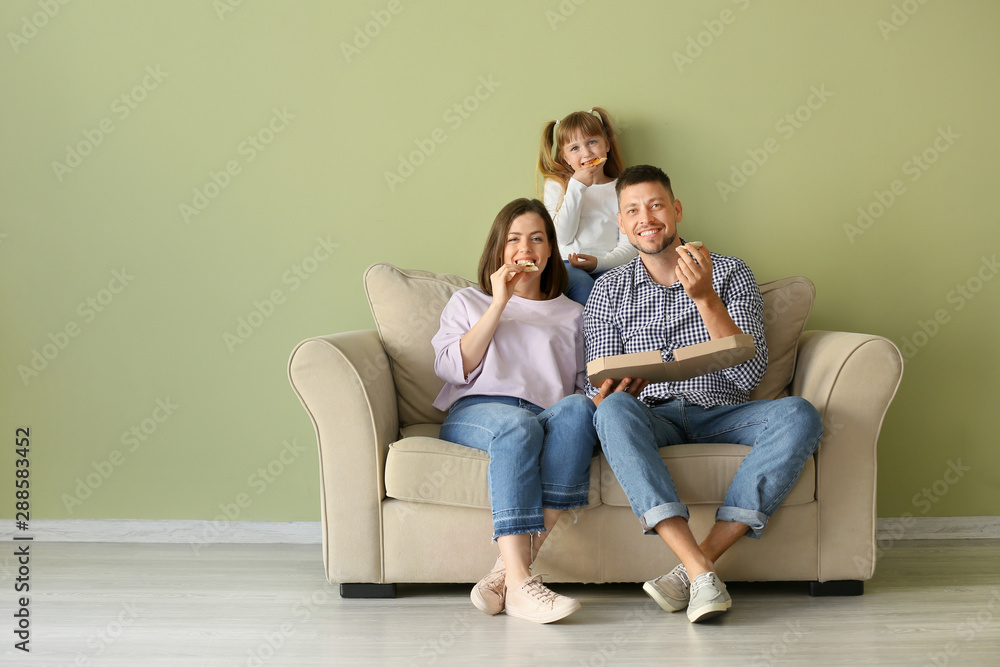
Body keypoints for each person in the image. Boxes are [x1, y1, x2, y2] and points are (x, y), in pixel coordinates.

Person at [584, 165, 823, 623]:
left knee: (799, 414)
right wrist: (612, 392)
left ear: (675, 210)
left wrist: (705, 297)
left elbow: (749, 374)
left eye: (655, 205)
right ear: (620, 222)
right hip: (653, 417)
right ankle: (699, 569)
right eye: (632, 210)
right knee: (612, 410)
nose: (646, 218)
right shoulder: (607, 292)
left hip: (724, 411)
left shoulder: (730, 272)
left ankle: (692, 569)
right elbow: (596, 382)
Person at [432, 198, 645, 624]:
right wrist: (499, 303)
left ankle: (506, 576)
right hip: (479, 411)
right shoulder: (469, 301)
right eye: (513, 239)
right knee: (517, 426)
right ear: (499, 249)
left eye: (536, 238)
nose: (524, 247)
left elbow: (581, 388)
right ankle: (524, 583)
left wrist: (607, 394)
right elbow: (452, 368)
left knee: (579, 411)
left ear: (550, 251)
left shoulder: (574, 315)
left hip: (542, 418)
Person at [537, 107, 637, 306]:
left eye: (592, 142)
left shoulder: (622, 188)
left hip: (609, 264)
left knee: (621, 291)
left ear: (606, 145)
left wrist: (599, 263)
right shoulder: (558, 185)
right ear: (565, 158)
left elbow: (630, 247)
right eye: (575, 148)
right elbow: (562, 237)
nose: (586, 152)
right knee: (584, 289)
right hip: (566, 265)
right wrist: (577, 186)